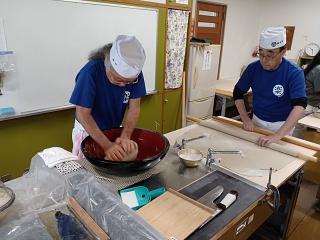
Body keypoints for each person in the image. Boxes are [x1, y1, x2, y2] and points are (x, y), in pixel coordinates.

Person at [70, 35, 146, 161]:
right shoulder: (90, 73)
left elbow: (134, 107)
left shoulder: (134, 73)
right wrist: (107, 145)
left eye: (128, 82)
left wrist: (125, 136)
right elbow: (83, 114)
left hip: (114, 129)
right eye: (118, 80)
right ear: (107, 62)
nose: (123, 85)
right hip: (89, 132)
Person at [233, 27, 307, 147]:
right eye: (261, 54)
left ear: (283, 52)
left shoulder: (293, 73)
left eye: (270, 55)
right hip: (256, 121)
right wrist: (245, 118)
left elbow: (299, 106)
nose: (264, 60)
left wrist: (278, 135)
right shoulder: (253, 68)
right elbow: (237, 92)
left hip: (282, 125)